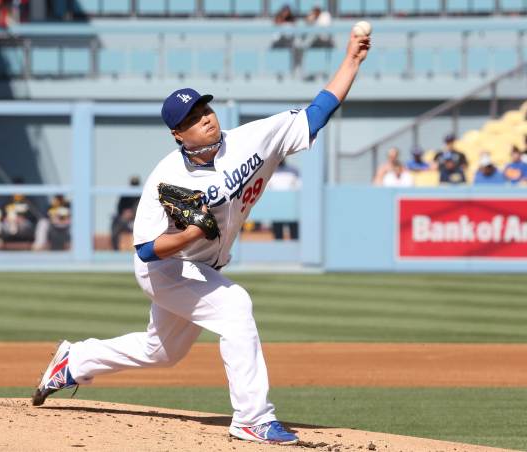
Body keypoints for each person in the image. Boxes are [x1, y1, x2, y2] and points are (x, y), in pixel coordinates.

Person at [32, 31, 371, 445]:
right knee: (235, 306)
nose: (205, 117)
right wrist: (191, 232)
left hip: (204, 265)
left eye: (204, 108)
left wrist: (351, 60)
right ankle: (252, 417)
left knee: (162, 352)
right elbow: (144, 247)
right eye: (192, 118)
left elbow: (316, 113)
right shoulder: (165, 177)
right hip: (166, 268)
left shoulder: (252, 140)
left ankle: (74, 359)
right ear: (178, 134)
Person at [266, 158, 301, 240]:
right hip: (276, 210)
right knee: (278, 237)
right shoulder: (269, 171)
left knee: (294, 236)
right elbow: (267, 191)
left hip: (291, 209)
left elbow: (299, 188)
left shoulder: (294, 171)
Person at [110, 175, 141, 251]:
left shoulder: (142, 195)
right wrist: (124, 214)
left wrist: (133, 214)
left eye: (135, 184)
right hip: (124, 221)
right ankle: (116, 251)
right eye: (133, 184)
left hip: (138, 221)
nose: (134, 186)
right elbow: (119, 208)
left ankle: (141, 251)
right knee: (115, 224)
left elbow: (145, 210)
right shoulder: (125, 195)